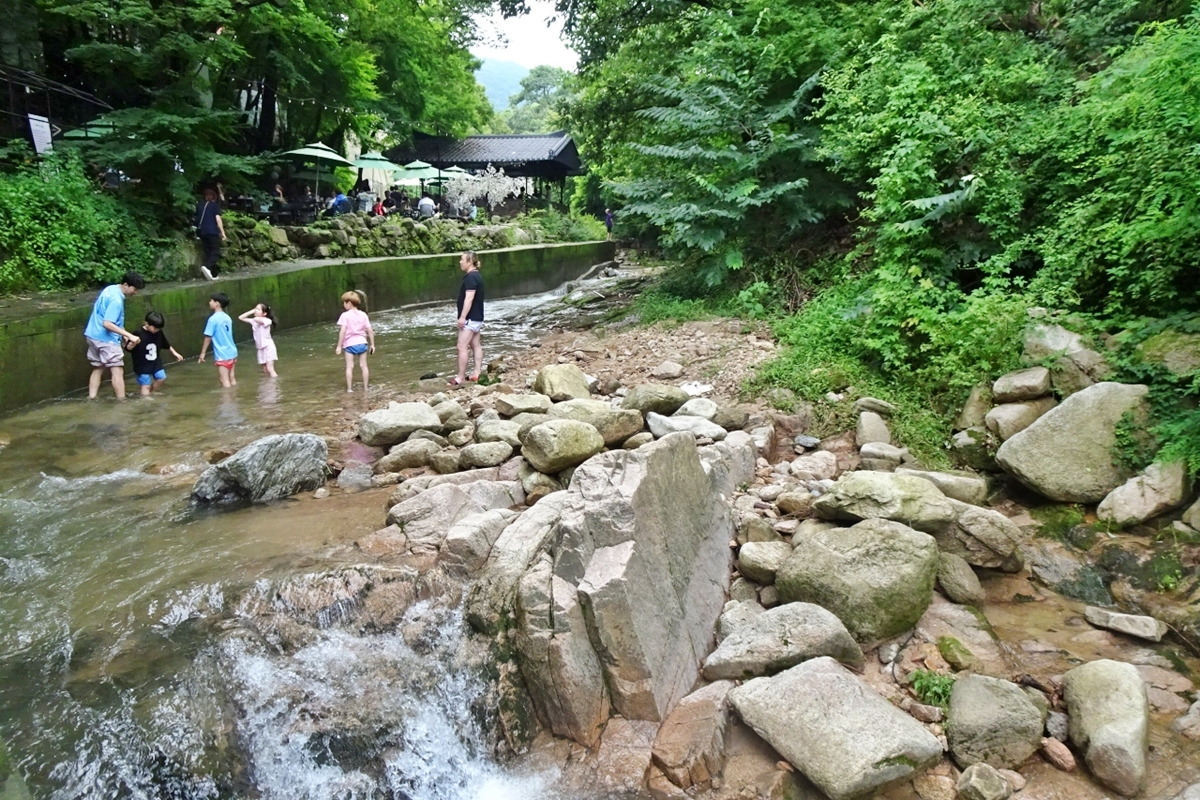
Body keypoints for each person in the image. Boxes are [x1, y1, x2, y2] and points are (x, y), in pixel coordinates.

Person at [84, 271, 146, 399]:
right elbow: (107, 323)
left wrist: (123, 336)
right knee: (117, 370)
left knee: (98, 368)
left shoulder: (110, 289)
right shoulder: (117, 300)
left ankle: (91, 397)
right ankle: (121, 401)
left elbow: (113, 319)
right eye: (135, 289)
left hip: (92, 335)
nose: (136, 292)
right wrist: (129, 335)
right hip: (106, 339)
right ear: (125, 285)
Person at [127, 311, 184, 396]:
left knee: (161, 378)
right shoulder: (138, 333)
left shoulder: (159, 333)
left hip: (155, 362)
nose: (156, 330)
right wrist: (133, 344)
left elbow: (166, 344)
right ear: (147, 324)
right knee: (146, 385)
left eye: (158, 329)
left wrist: (175, 353)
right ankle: (146, 400)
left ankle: (151, 392)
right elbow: (128, 348)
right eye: (155, 328)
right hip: (142, 365)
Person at [449, 251, 484, 387]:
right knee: (475, 345)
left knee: (461, 346)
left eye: (462, 259)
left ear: (469, 262)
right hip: (477, 317)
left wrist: (462, 317)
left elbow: (469, 299)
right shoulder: (477, 276)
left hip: (470, 318)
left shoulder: (470, 278)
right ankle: (477, 373)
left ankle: (460, 377)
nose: (460, 262)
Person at [335, 291, 375, 393]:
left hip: (349, 344)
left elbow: (343, 331)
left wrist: (339, 346)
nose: (343, 305)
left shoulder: (345, 315)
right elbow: (369, 330)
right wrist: (372, 345)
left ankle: (349, 389)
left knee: (350, 366)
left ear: (349, 303)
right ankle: (366, 387)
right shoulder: (363, 315)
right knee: (364, 366)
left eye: (344, 302)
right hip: (362, 343)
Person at [198, 292, 238, 387]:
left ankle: (228, 400)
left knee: (224, 380)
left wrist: (203, 353)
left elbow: (208, 337)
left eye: (211, 300)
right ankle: (235, 396)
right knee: (232, 377)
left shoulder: (213, 320)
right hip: (232, 351)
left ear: (217, 304)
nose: (209, 302)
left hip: (222, 353)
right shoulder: (227, 317)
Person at [238, 302, 278, 377]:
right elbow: (240, 317)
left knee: (270, 368)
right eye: (256, 309)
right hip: (260, 348)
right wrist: (252, 311)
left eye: (258, 309)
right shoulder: (253, 321)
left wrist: (255, 313)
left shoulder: (267, 320)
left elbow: (257, 319)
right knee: (265, 370)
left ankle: (275, 385)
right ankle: (268, 385)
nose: (256, 311)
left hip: (268, 347)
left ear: (264, 313)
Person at [196, 187, 226, 281]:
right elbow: (218, 219)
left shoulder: (199, 206)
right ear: (213, 197)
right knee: (215, 251)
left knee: (208, 252)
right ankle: (207, 267)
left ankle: (213, 274)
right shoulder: (214, 205)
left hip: (202, 232)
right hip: (212, 231)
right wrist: (223, 232)